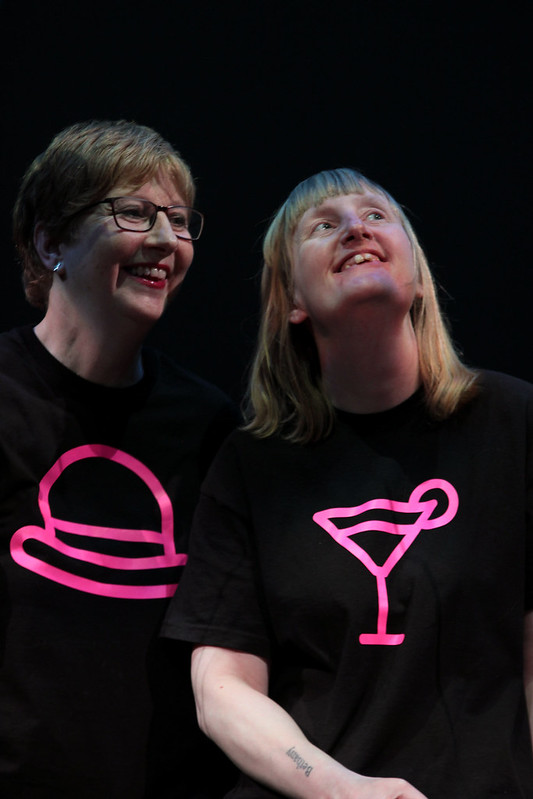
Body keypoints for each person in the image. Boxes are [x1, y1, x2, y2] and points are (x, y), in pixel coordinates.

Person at [161, 168, 533, 798]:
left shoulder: (514, 422)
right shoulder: (252, 464)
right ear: (293, 301)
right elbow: (220, 690)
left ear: (418, 278)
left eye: (376, 215)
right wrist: (343, 790)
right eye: (324, 225)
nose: (356, 228)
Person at [0, 120, 238, 798]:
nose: (165, 241)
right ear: (51, 242)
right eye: (134, 213)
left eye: (179, 220)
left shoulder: (207, 424)